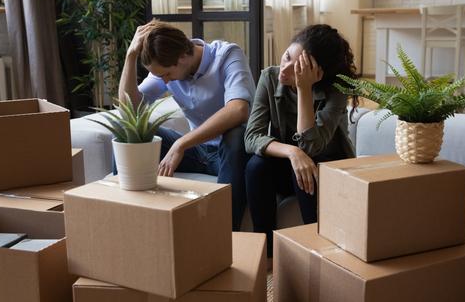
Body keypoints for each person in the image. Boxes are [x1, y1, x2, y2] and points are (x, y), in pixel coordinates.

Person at [119, 20, 256, 231]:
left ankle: (225, 236)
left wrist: (181, 144)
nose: (164, 82)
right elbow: (129, 109)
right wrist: (130, 56)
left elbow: (238, 110)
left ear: (183, 56)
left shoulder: (228, 56)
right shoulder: (166, 64)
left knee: (236, 135)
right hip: (199, 151)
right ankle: (128, 222)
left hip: (231, 154)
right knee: (132, 135)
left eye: (166, 74)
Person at [244, 24, 359, 257]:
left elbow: (311, 147)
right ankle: (265, 254)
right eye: (286, 56)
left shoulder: (335, 92)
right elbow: (251, 137)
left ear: (319, 73)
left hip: (326, 166)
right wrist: (292, 153)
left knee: (306, 171)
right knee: (256, 166)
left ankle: (317, 253)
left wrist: (303, 89)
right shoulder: (269, 77)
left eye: (296, 68)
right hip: (290, 162)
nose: (284, 70)